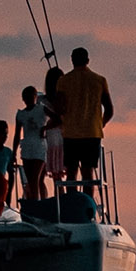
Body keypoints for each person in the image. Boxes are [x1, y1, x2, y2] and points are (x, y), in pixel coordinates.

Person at [57, 46, 113, 184]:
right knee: (88, 173)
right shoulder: (99, 80)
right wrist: (101, 123)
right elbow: (109, 109)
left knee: (71, 172)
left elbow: (59, 108)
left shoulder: (63, 81)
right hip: (92, 132)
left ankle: (72, 202)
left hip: (71, 133)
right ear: (87, 60)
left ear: (72, 60)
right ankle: (88, 204)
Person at [13, 85, 48, 200]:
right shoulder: (21, 114)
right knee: (30, 179)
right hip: (27, 148)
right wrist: (14, 152)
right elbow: (17, 135)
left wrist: (45, 128)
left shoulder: (41, 109)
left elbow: (57, 119)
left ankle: (38, 202)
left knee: (35, 178)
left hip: (39, 147)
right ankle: (34, 201)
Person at [42, 68, 66, 188]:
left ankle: (59, 199)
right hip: (61, 137)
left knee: (56, 175)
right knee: (62, 173)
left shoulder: (42, 101)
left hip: (51, 138)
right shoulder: (64, 100)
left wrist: (46, 127)